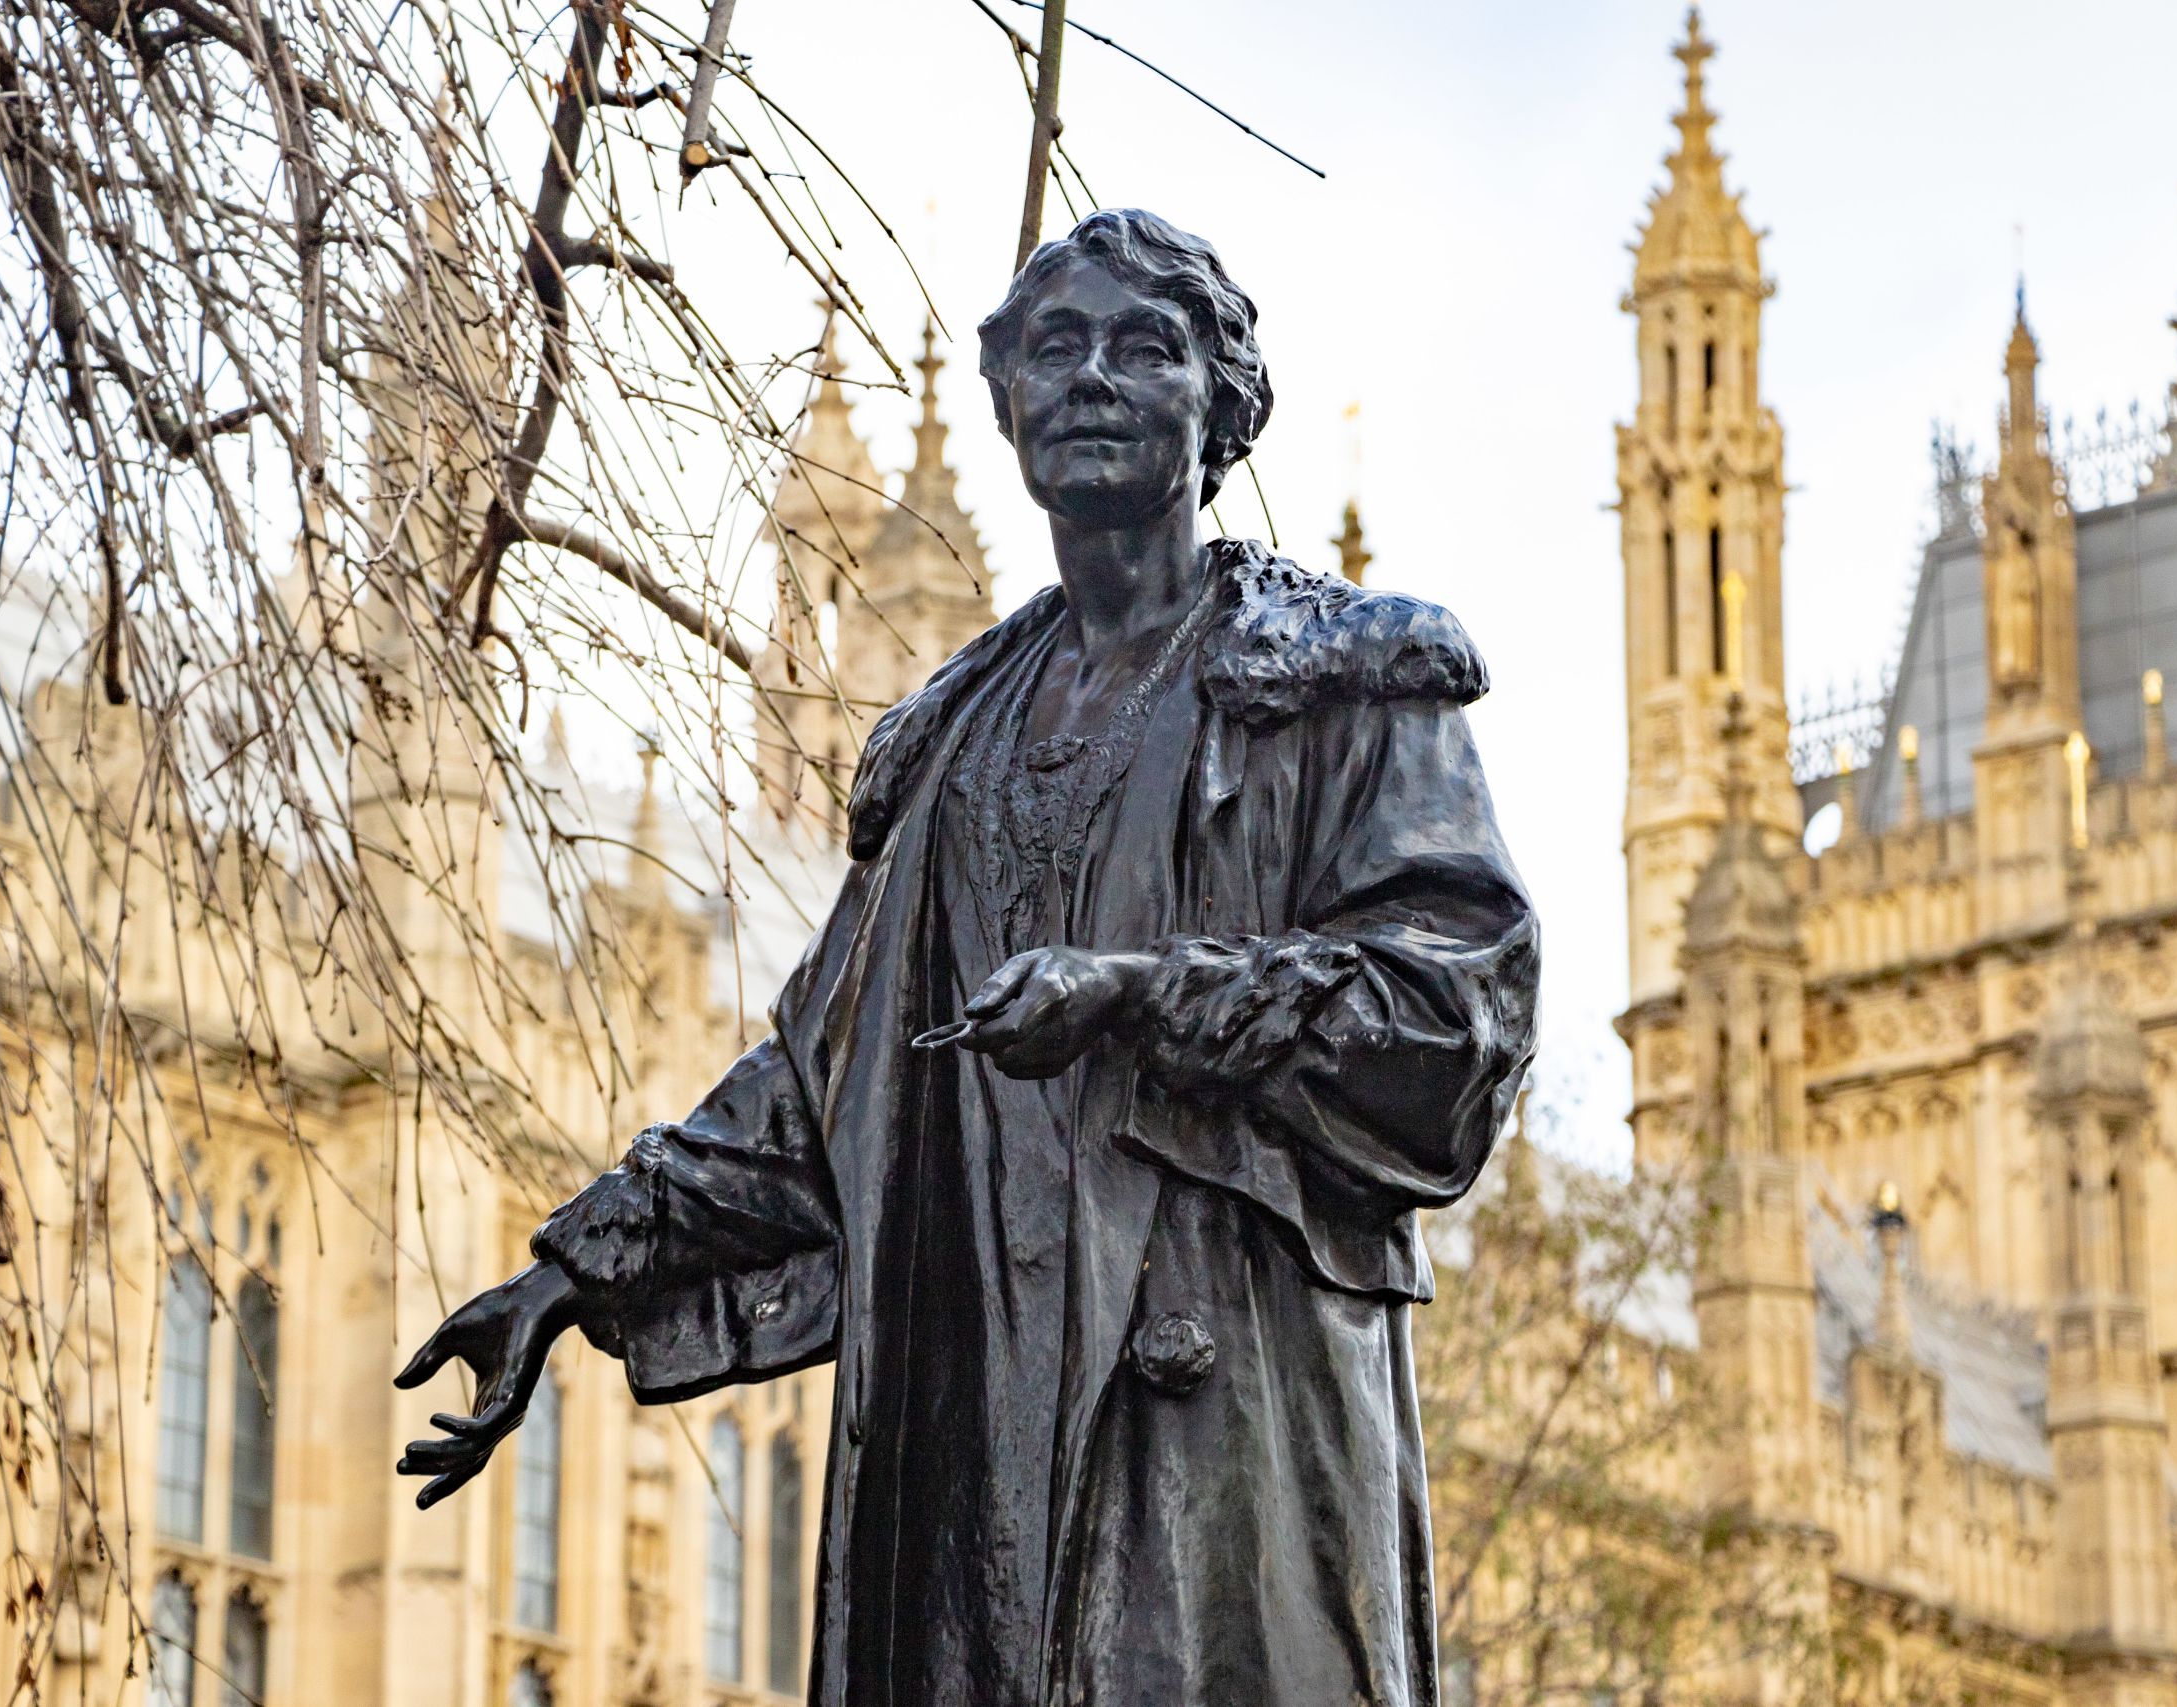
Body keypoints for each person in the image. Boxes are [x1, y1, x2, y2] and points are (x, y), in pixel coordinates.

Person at [396, 208, 1539, 1706]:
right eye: (1056, 349)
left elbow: (1457, 1017)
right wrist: (574, 1269)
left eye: (1146, 348)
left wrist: (1146, 997)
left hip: (1215, 1434)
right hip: (978, 1432)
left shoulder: (1341, 683)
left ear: (1222, 403)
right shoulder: (952, 746)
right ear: (1007, 405)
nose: (1093, 381)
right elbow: (825, 1088)